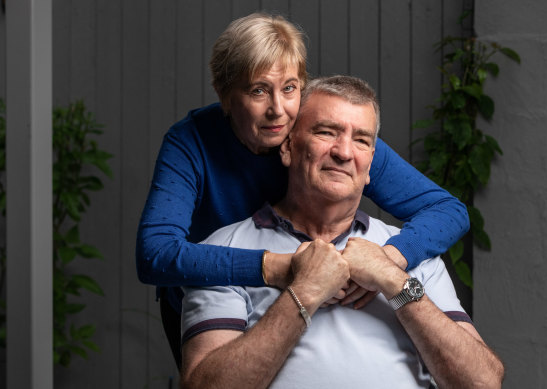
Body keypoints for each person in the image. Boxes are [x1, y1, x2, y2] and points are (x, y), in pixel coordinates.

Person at [136, 13, 470, 368]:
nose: (278, 111)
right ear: (225, 95)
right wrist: (276, 267)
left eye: (290, 88)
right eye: (258, 90)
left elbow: (447, 211)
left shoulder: (327, 137)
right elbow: (155, 254)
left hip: (320, 288)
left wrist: (389, 259)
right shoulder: (191, 141)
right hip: (215, 291)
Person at [180, 76, 504, 388]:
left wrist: (393, 280)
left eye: (361, 140)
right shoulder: (221, 252)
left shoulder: (413, 256)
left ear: (370, 166)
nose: (344, 152)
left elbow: (483, 382)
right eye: (326, 132)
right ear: (288, 147)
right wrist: (304, 294)